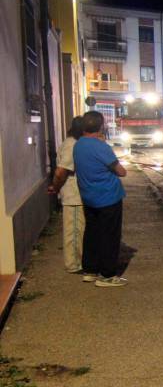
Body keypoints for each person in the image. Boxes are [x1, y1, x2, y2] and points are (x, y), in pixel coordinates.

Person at [74, 111, 128, 287]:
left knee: (91, 233)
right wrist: (105, 146)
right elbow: (121, 171)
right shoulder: (101, 147)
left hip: (88, 197)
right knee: (110, 236)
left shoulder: (79, 145)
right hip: (108, 197)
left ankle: (90, 270)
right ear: (100, 126)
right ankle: (107, 275)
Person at [47, 117, 86, 273]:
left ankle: (77, 261)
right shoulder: (71, 145)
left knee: (77, 230)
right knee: (74, 230)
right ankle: (74, 264)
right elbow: (61, 171)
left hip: (75, 195)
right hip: (73, 195)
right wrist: (55, 187)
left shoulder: (71, 142)